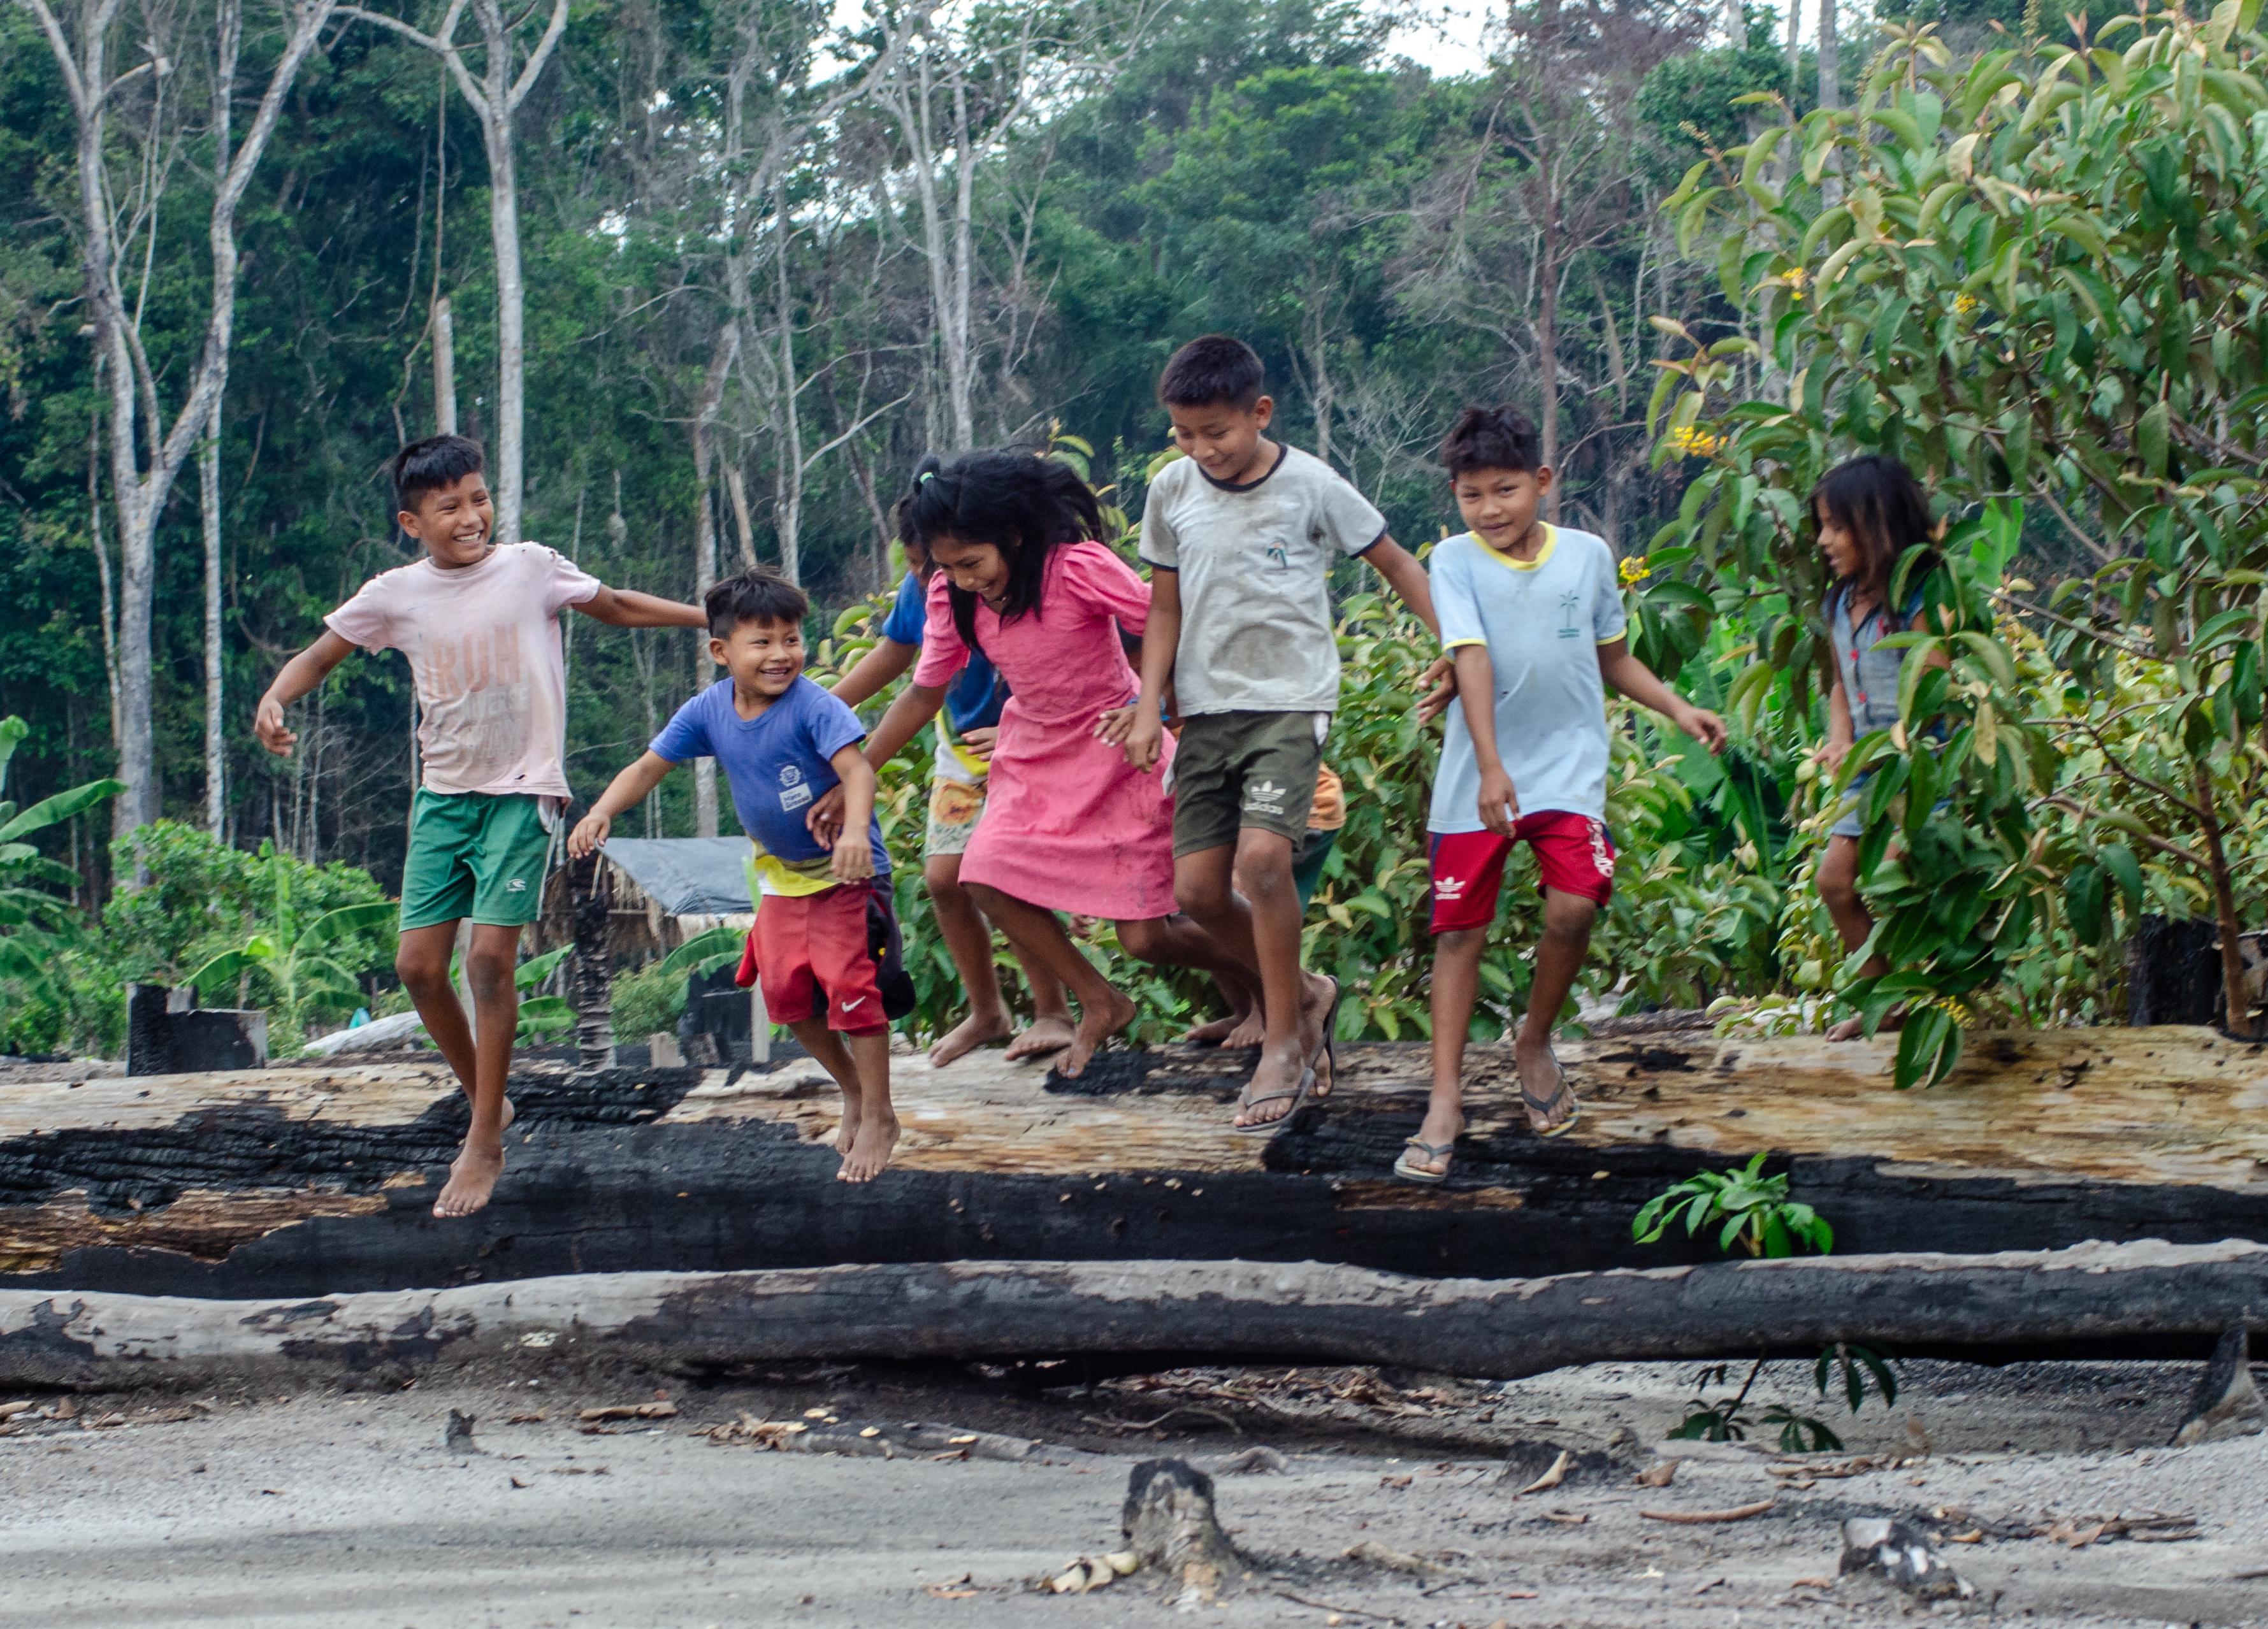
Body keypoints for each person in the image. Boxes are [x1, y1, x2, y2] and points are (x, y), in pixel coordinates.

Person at [254, 433, 707, 1219]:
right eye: (449, 507)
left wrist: (710, 616)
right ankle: (486, 1100)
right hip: (443, 796)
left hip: (522, 790)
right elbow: (321, 655)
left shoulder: (530, 567)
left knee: (490, 960)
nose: (471, 517)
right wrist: (275, 698)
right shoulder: (395, 593)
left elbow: (619, 607)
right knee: (417, 967)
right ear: (412, 521)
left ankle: (483, 1140)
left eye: (478, 498)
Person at [1115, 334, 1441, 1132]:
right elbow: (1163, 605)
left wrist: (1459, 647)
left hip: (1289, 703)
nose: (1202, 450)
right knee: (1194, 894)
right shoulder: (1170, 490)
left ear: (1259, 412)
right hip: (1202, 711)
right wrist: (1147, 702)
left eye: (1216, 432)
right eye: (1185, 435)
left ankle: (1285, 1041)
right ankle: (1305, 990)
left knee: (1263, 862)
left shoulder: (1312, 485)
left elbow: (1396, 563)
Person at [1399, 406, 1726, 1182]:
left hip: (1568, 767)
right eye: (1472, 495)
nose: (1490, 510)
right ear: (1455, 496)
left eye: (1505, 490)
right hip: (1477, 774)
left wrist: (1678, 707)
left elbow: (1612, 658)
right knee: (1458, 935)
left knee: (1574, 905)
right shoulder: (1454, 561)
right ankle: (1443, 1097)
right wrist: (1487, 764)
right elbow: (1470, 657)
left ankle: (1533, 1039)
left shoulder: (1587, 556)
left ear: (1542, 482)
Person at [856, 450, 1248, 1080]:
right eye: (947, 567)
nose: (961, 579)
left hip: (1116, 751)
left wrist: (1153, 707)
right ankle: (1100, 1000)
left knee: (1147, 938)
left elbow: (1168, 623)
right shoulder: (949, 596)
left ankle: (1283, 990)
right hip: (1033, 755)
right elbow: (923, 691)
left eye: (971, 563)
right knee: (981, 875)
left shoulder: (1077, 569)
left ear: (1012, 534)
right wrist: (860, 769)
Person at [568, 570, 901, 1181]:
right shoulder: (707, 710)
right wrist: (601, 810)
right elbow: (648, 767)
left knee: (851, 990)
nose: (782, 655)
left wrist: (855, 832)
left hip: (846, 873)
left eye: (792, 639)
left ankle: (879, 1113)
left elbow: (857, 773)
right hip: (781, 878)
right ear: (721, 651)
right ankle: (852, 1088)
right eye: (763, 642)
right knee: (786, 996)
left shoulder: (814, 706)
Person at [821, 526, 1075, 1068]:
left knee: (1010, 877)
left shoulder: (1007, 581)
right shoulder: (926, 585)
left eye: (930, 564)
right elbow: (896, 656)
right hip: (962, 750)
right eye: (916, 563)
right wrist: (810, 709)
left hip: (1034, 746)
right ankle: (988, 1011)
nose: (923, 575)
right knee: (944, 879)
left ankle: (1054, 1010)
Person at [1810, 454, 1944, 1043]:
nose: (1823, 541)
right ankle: (1884, 999)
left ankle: (1932, 1002)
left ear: (1877, 527)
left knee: (1895, 874)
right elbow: (1841, 683)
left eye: (1836, 527)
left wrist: (1900, 747)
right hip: (1870, 768)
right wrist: (1840, 739)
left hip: (1923, 766)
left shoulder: (1920, 597)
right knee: (1834, 883)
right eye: (1822, 526)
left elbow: (1936, 685)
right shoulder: (1838, 603)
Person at [1184, 761, 1346, 1052]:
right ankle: (1245, 1011)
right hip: (1227, 810)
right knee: (1199, 900)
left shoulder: (1175, 722)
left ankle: (1269, 1012)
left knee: (1239, 895)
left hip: (1295, 804)